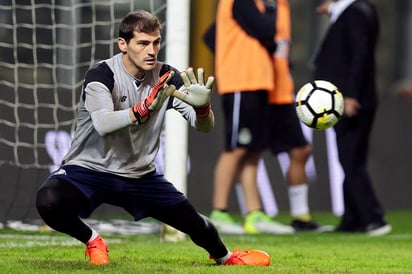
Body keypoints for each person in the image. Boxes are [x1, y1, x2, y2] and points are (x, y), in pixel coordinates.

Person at [35, 9, 271, 266]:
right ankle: (93, 240)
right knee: (48, 201)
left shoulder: (167, 76)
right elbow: (103, 123)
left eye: (156, 42)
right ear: (123, 44)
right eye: (143, 43)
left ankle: (226, 258)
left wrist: (203, 109)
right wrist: (142, 108)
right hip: (89, 169)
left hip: (139, 175)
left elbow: (203, 127)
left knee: (196, 224)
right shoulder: (102, 74)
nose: (151, 50)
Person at [206, 0, 294, 235]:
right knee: (235, 148)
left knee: (252, 151)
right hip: (240, 83)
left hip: (259, 82)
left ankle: (254, 214)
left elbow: (210, 34)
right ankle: (219, 212)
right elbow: (266, 30)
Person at [312, 0, 391, 235]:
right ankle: (353, 219)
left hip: (352, 100)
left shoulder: (357, 11)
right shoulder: (351, 11)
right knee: (349, 158)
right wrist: (334, 11)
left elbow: (360, 53)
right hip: (347, 98)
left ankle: (373, 218)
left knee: (351, 159)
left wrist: (350, 95)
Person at [264, 0, 332, 232]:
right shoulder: (257, 4)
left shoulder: (281, 5)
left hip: (281, 91)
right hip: (260, 88)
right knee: (244, 153)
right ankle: (227, 212)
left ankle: (301, 217)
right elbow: (215, 36)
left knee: (301, 150)